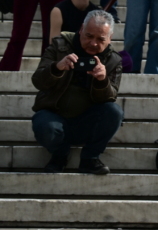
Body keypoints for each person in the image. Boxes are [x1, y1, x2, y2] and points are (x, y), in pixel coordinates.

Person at [31, 10, 124, 175]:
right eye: (89, 36)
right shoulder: (59, 46)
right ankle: (59, 155)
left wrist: (102, 80)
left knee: (114, 111)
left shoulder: (113, 60)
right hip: (54, 115)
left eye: (101, 39)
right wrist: (57, 67)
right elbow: (38, 81)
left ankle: (90, 158)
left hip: (86, 121)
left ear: (110, 38)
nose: (93, 43)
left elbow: (110, 97)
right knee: (44, 126)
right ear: (81, 29)